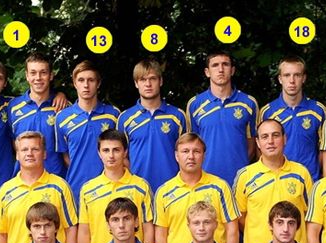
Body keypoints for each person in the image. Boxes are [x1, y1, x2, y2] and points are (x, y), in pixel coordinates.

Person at [234, 119, 312, 243]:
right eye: (265, 137)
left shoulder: (301, 173)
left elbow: (309, 216)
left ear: (284, 139)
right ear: (258, 143)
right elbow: (239, 218)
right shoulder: (245, 176)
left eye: (275, 135)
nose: (270, 141)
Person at [155, 132, 239, 243]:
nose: (191, 156)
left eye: (196, 151)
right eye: (185, 151)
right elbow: (161, 235)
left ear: (204, 156)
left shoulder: (220, 187)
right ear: (176, 156)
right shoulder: (164, 192)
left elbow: (232, 229)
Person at [0, 131, 77, 243]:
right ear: (17, 155)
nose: (29, 153)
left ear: (44, 154)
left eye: (35, 149)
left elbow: (70, 228)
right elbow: (2, 234)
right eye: (24, 150)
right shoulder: (6, 191)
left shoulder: (60, 186)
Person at [78, 129, 153, 243]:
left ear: (125, 152)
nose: (111, 155)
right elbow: (84, 232)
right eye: (106, 150)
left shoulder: (141, 186)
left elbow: (148, 229)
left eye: (116, 150)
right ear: (99, 153)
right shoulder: (88, 189)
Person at [186, 51, 258, 187]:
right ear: (207, 72)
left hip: (241, 181)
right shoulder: (195, 105)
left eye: (225, 64)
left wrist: (239, 164)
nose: (220, 69)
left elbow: (252, 145)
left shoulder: (248, 103)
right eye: (215, 65)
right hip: (205, 181)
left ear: (232, 70)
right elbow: (192, 145)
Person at [118, 59, 187, 191]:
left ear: (160, 81)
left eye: (152, 79)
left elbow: (187, 154)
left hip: (173, 189)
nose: (148, 84)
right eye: (143, 80)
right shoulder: (125, 119)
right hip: (137, 190)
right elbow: (121, 157)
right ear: (136, 83)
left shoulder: (177, 116)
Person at [56, 60, 120, 197]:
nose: (86, 85)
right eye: (81, 80)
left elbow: (121, 151)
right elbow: (65, 155)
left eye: (91, 80)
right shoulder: (62, 118)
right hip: (76, 189)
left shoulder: (113, 115)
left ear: (98, 83)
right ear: (74, 83)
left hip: (110, 188)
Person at [260, 55, 326, 181]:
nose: (292, 80)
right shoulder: (268, 112)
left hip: (310, 181)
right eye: (287, 75)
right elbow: (261, 149)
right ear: (280, 79)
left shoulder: (318, 110)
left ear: (304, 78)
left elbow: (325, 150)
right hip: (278, 181)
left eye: (297, 75)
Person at [8, 52, 67, 176]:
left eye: (43, 72)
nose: (38, 77)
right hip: (23, 180)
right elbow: (13, 141)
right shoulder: (13, 106)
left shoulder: (63, 107)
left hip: (56, 178)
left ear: (51, 75)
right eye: (33, 73)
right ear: (27, 76)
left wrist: (61, 94)